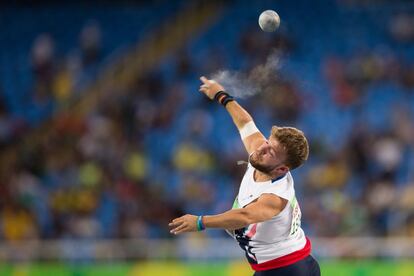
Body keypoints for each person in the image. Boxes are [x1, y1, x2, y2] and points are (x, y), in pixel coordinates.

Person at [169, 76, 321, 276]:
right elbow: (245, 123)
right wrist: (221, 95)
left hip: (285, 269)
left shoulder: (275, 197)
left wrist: (200, 222)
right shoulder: (261, 154)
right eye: (268, 141)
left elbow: (245, 216)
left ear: (282, 169)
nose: (263, 148)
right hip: (288, 264)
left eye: (272, 152)